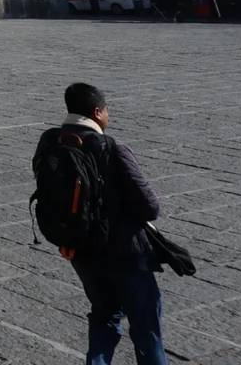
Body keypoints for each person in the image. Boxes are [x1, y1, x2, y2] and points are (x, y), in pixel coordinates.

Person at [39, 82, 166, 364]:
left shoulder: (50, 142)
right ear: (97, 112)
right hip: (127, 254)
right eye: (107, 110)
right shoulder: (111, 148)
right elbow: (151, 207)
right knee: (147, 327)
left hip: (81, 250)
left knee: (104, 316)